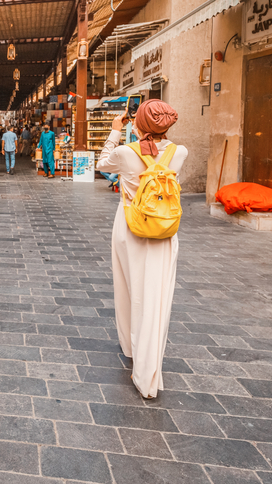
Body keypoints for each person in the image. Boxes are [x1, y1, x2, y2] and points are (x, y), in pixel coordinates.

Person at [95, 99, 188, 400]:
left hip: (130, 227)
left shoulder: (125, 152)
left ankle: (131, 347)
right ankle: (148, 368)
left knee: (127, 289)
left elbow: (102, 164)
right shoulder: (180, 152)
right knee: (155, 297)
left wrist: (115, 131)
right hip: (163, 230)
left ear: (140, 125)